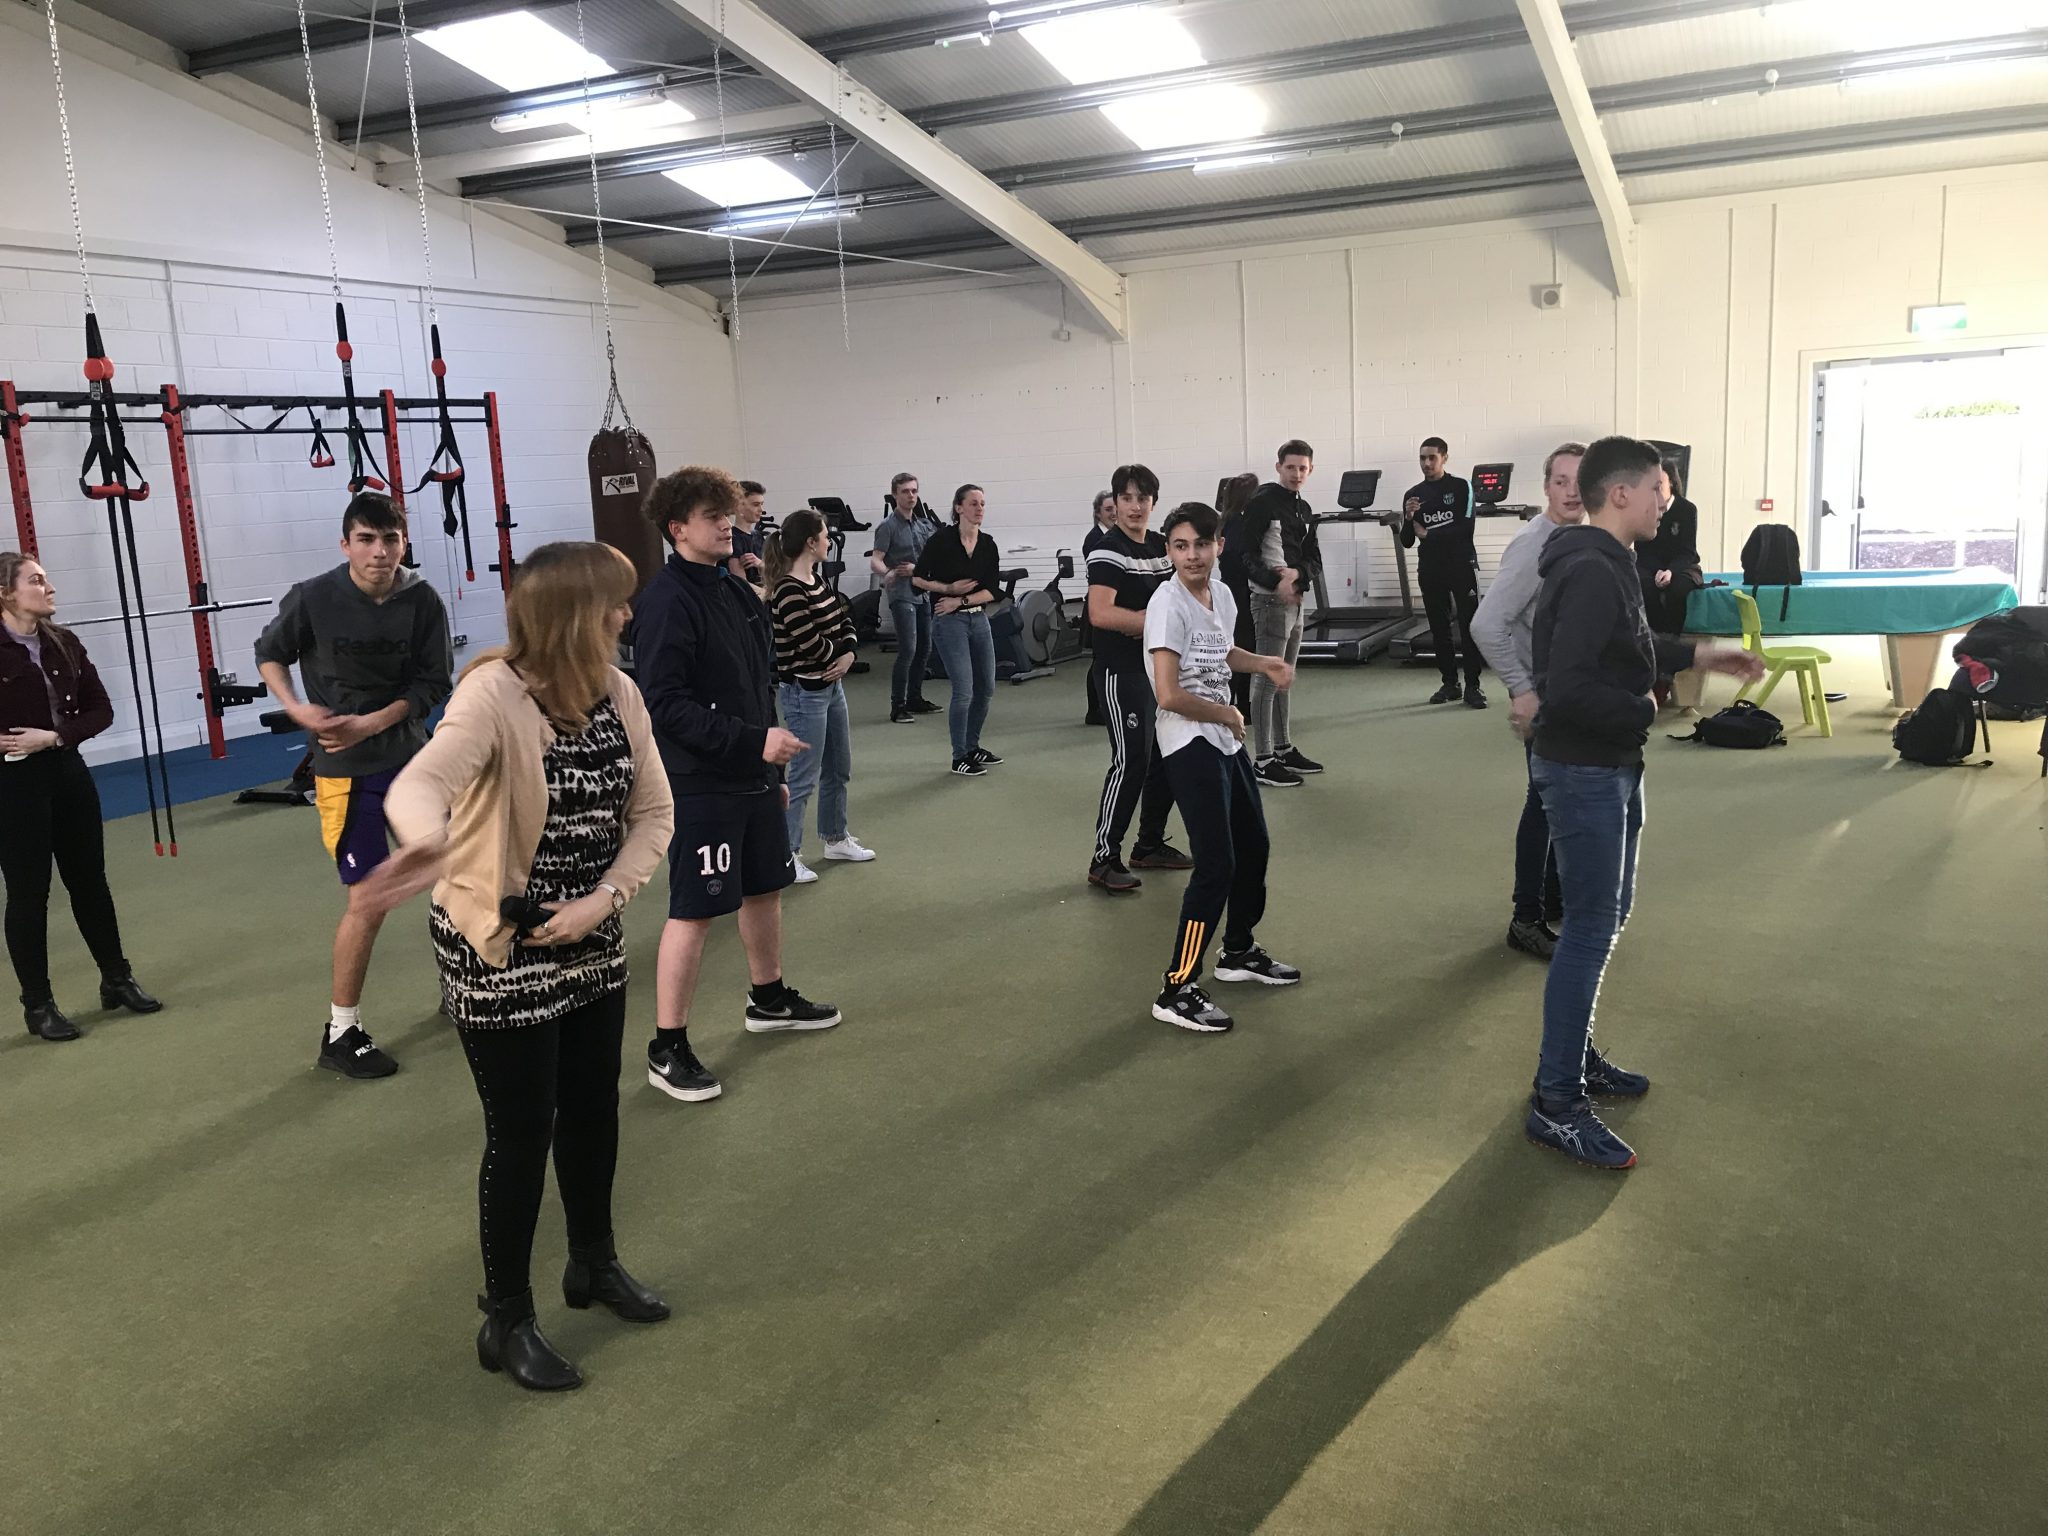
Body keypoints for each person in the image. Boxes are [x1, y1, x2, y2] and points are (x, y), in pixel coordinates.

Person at [354, 541, 674, 1393]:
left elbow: (654, 812)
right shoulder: (492, 693)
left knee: (594, 1109)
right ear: (573, 614)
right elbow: (419, 783)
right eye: (614, 602)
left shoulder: (619, 692)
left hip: (589, 934)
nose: (627, 614)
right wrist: (425, 842)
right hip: (500, 947)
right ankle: (506, 1318)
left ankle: (593, 1264)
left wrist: (601, 901)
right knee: (523, 1131)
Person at [1524, 436, 1763, 1170]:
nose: (1667, 500)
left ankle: (1573, 1056)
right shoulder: (1591, 568)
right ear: (1622, 493)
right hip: (1585, 767)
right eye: (1658, 488)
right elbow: (1567, 686)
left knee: (1609, 913)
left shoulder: (1611, 560)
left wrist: (1701, 654)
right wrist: (1641, 710)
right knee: (1590, 926)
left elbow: (1629, 643)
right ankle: (1556, 1102)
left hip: (1609, 763)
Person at [634, 466, 841, 1108]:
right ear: (677, 529)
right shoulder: (667, 601)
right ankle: (667, 1046)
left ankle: (768, 998)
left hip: (751, 776)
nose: (727, 524)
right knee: (694, 911)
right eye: (711, 516)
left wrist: (769, 773)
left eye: (728, 513)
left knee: (764, 888)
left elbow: (757, 687)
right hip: (700, 783)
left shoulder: (733, 589)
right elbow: (664, 705)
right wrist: (751, 745)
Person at [255, 491, 453, 1080]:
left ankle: (461, 986)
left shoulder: (422, 599)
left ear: (404, 543)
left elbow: (432, 683)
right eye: (366, 540)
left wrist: (373, 722)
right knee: (368, 901)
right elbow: (270, 654)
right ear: (346, 545)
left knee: (452, 873)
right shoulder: (313, 597)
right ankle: (341, 1032)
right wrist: (296, 707)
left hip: (413, 765)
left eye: (390, 539)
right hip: (346, 775)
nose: (380, 552)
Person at [1144, 503, 1301, 1034]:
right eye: (1180, 546)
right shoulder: (1166, 604)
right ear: (1169, 551)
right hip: (1188, 740)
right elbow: (1168, 694)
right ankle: (1176, 988)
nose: (1192, 555)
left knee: (1253, 845)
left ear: (1219, 546)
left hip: (1221, 737)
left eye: (1201, 544)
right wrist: (1227, 713)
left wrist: (1264, 663)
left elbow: (1220, 652)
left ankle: (1237, 951)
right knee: (1216, 865)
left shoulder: (1222, 594)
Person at [0, 552, 159, 1041]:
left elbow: (100, 709)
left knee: (90, 880)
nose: (48, 588)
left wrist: (54, 738)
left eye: (46, 579)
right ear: (5, 594)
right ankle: (38, 1005)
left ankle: (116, 978)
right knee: (29, 894)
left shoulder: (63, 643)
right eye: (36, 581)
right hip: (13, 785)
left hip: (66, 771)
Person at [1468, 442, 1586, 963]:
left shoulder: (1580, 538)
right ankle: (1526, 918)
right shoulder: (1533, 545)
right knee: (1542, 802)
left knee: (1561, 799)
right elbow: (1486, 624)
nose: (1571, 492)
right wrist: (1521, 688)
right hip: (1543, 699)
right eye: (1561, 482)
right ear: (1546, 488)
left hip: (1569, 695)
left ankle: (1553, 897)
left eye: (1580, 482)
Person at [1085, 464, 1191, 892]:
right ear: (1115, 503)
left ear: (1153, 503)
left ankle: (1148, 845)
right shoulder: (1107, 551)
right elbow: (1100, 614)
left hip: (1158, 670)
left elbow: (1177, 599)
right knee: (1131, 762)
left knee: (1166, 757)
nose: (1134, 507)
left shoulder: (1160, 547)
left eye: (1142, 499)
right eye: (1126, 498)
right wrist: (1150, 622)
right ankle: (1103, 858)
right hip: (1121, 671)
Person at [765, 508, 873, 883]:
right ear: (811, 542)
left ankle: (835, 838)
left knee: (839, 766)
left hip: (831, 687)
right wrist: (840, 655)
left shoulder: (818, 579)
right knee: (803, 776)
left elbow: (845, 618)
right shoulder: (787, 590)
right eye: (825, 536)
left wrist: (849, 653)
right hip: (804, 693)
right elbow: (808, 644)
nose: (829, 541)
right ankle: (787, 855)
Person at [1238, 442, 1324, 785]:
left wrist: (1297, 575)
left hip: (1296, 601)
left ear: (1310, 470)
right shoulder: (1262, 503)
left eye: (1303, 468)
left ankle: (1284, 748)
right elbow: (1245, 555)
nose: (1297, 474)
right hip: (1269, 602)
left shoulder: (1304, 508)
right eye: (1291, 467)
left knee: (1284, 677)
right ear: (1278, 467)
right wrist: (1276, 582)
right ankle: (1263, 759)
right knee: (1267, 676)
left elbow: (1314, 558)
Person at [911, 485, 1005, 777]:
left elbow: (992, 590)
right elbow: (917, 579)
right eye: (973, 503)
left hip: (978, 619)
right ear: (959, 507)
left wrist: (961, 600)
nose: (979, 509)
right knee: (964, 690)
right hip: (949, 623)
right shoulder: (941, 540)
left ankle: (972, 746)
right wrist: (948, 589)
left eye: (982, 504)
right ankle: (959, 756)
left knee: (986, 687)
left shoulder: (988, 544)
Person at [1400, 436, 1487, 709]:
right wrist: (1408, 518)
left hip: (1461, 565)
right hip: (1430, 568)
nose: (1426, 463)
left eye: (1432, 458)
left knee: (1469, 626)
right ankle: (1450, 684)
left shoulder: (1461, 487)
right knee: (1439, 628)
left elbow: (1465, 529)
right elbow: (1407, 541)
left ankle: (1473, 686)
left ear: (1444, 458)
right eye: (1422, 458)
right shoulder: (1413, 494)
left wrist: (1429, 535)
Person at [869, 472, 939, 725]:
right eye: (905, 491)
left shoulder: (923, 525)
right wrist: (887, 573)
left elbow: (932, 558)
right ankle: (897, 706)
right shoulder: (887, 526)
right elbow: (876, 559)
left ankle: (914, 699)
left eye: (914, 491)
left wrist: (920, 570)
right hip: (901, 593)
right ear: (895, 495)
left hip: (922, 592)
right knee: (908, 648)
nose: (911, 496)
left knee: (925, 648)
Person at [1639, 459, 1704, 703]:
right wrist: (1657, 571)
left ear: (1672, 484)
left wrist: (1671, 571)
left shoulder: (1687, 509)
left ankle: (1670, 657)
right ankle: (1654, 652)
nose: (1655, 489)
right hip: (1650, 566)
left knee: (1678, 590)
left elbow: (1687, 550)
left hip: (1683, 565)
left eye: (1660, 483)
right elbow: (1643, 548)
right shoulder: (1645, 508)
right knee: (1644, 586)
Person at [1215, 472, 1260, 717]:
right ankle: (1237, 702)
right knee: (1241, 645)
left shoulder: (1229, 520)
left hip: (1235, 589)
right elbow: (1236, 558)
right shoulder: (1236, 523)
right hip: (1238, 592)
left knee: (1241, 644)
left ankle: (1241, 700)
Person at [1081, 489, 1116, 727]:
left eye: (1115, 509)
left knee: (1105, 659)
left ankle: (1103, 707)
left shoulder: (1115, 537)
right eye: (1108, 509)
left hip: (1112, 604)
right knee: (1099, 659)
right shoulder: (1094, 540)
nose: (1113, 513)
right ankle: (1094, 710)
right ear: (1098, 513)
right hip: (1099, 604)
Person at [728, 480, 768, 588]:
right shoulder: (732, 538)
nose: (761, 510)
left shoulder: (758, 536)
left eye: (761, 504)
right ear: (739, 506)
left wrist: (760, 564)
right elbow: (741, 583)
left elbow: (773, 573)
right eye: (755, 505)